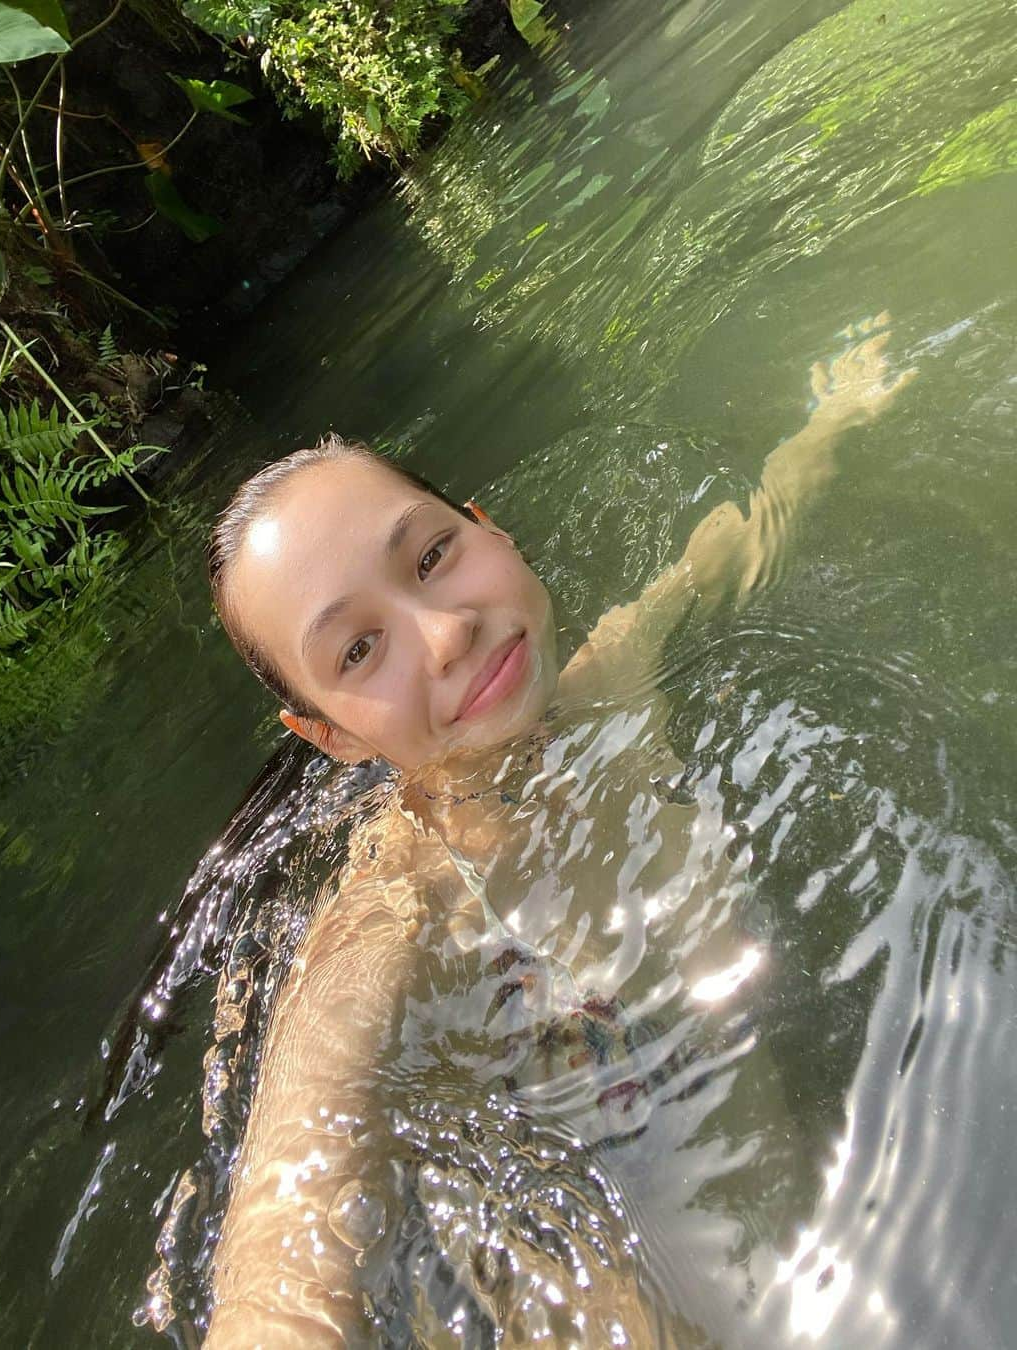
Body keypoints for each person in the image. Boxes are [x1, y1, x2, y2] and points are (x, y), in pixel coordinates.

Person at [203, 320, 915, 1347]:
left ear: (492, 528)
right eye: (361, 649)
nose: (446, 632)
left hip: (818, 1208)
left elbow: (723, 547)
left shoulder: (616, 675)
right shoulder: (391, 931)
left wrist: (832, 420)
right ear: (327, 736)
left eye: (434, 554)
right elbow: (282, 1253)